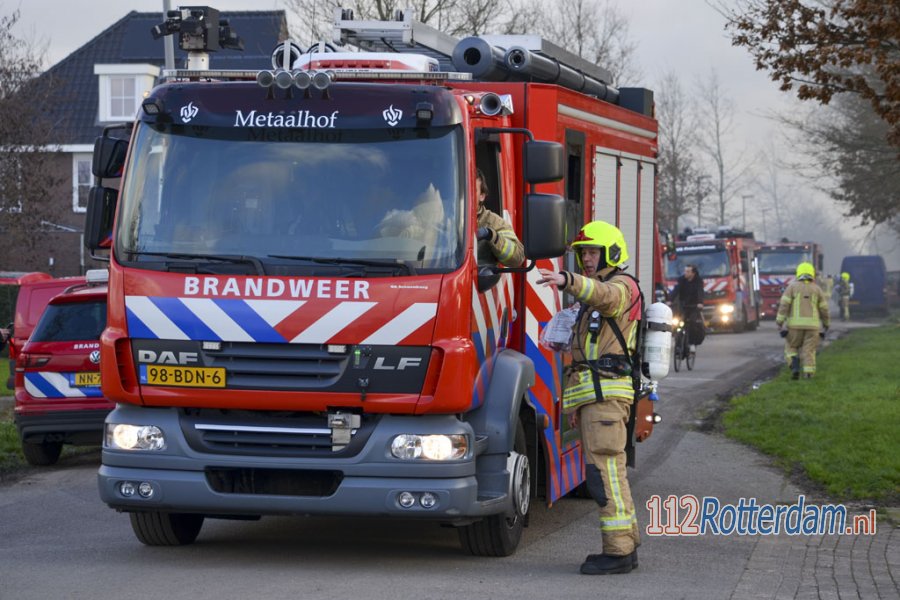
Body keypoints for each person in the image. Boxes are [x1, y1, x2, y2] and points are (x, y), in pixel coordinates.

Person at [536, 220, 641, 575]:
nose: (587, 259)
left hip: (607, 398)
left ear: (612, 252)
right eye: (582, 253)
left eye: (593, 252)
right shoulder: (591, 298)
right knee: (612, 472)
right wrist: (575, 407)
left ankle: (618, 552)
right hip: (595, 399)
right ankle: (627, 544)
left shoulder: (621, 286)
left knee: (605, 473)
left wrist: (569, 281)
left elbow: (607, 297)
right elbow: (583, 358)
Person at [775, 262, 830, 379]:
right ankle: (809, 375)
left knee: (791, 346)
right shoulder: (817, 289)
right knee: (809, 350)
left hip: (794, 327)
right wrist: (826, 324)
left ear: (798, 273)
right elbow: (824, 310)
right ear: (812, 274)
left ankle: (794, 365)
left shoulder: (791, 287)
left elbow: (784, 305)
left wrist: (779, 322)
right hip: (813, 328)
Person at [475, 169, 525, 267]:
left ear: (482, 196)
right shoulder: (442, 217)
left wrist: (491, 236)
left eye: (471, 190)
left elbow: (518, 258)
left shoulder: (493, 222)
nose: (464, 196)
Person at [668, 263, 705, 353]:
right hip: (683, 305)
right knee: (677, 322)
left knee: (692, 323)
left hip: (694, 306)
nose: (685, 273)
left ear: (693, 273)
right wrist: (670, 300)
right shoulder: (682, 280)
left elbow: (700, 291)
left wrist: (700, 302)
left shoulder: (698, 281)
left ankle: (692, 343)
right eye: (685, 271)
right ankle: (677, 341)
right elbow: (676, 290)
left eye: (688, 271)